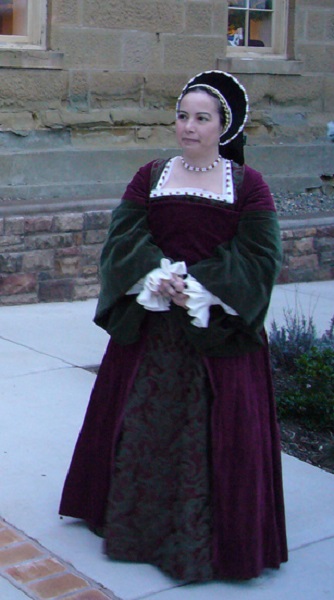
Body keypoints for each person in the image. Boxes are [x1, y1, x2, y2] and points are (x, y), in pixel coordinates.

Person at [59, 70, 288, 581]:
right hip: (153, 327)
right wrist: (154, 274)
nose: (188, 127)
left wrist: (204, 287)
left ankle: (207, 539)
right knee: (142, 426)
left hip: (218, 333)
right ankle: (133, 525)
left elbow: (261, 256)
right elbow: (122, 238)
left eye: (201, 118)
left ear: (223, 126)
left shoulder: (249, 186)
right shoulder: (151, 175)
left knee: (213, 437)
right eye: (182, 116)